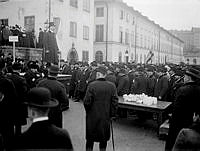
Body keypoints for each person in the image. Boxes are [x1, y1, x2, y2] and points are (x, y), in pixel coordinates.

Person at [165, 65, 200, 151]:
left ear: (188, 78)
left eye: (185, 76)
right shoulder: (198, 89)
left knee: (174, 141)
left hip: (179, 122)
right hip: (192, 123)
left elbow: (176, 109)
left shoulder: (182, 90)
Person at [84, 66, 118, 151]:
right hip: (105, 116)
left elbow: (86, 101)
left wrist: (88, 111)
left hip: (92, 116)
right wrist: (112, 114)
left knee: (90, 139)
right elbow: (115, 102)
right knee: (103, 139)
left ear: (98, 74)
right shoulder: (112, 86)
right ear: (105, 75)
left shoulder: (91, 85)